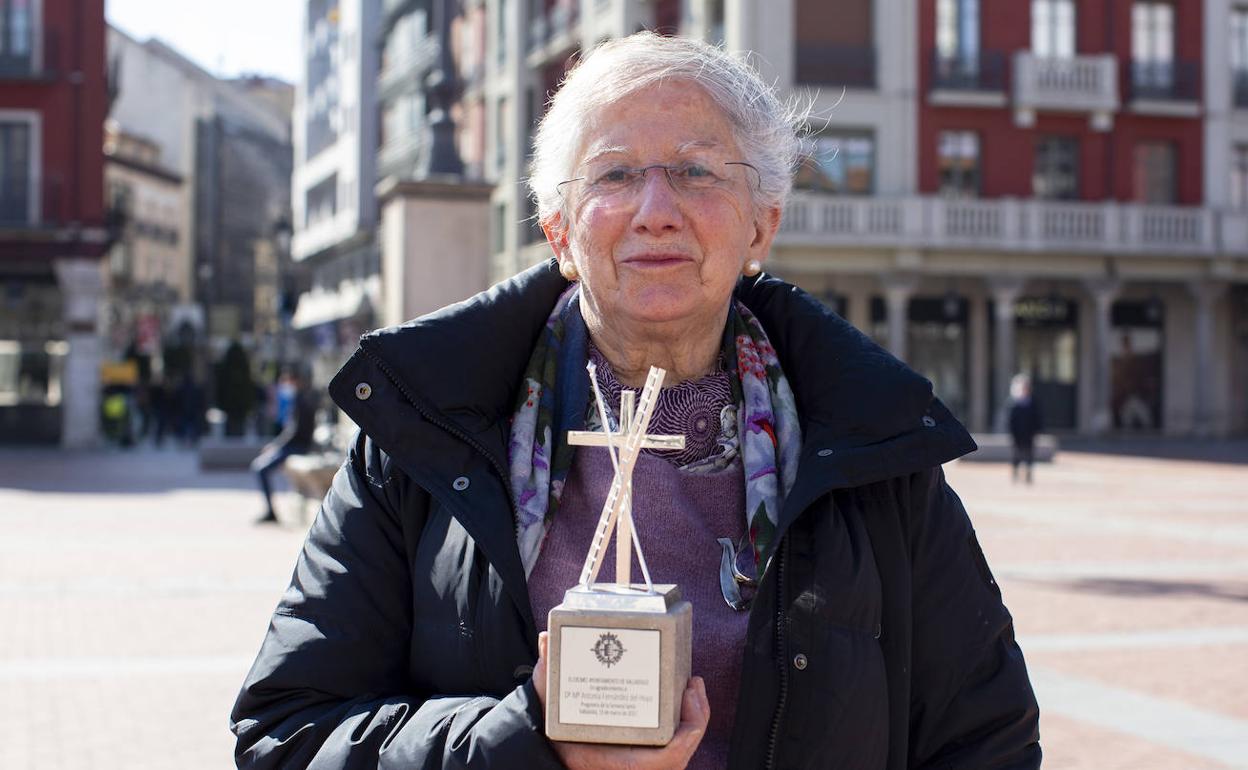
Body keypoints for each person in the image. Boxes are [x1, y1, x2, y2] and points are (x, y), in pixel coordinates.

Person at [231, 33, 1040, 769]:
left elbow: (985, 738)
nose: (657, 212)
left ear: (762, 226)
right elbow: (287, 736)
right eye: (615, 174)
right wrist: (526, 742)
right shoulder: (425, 430)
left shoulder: (868, 443)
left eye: (696, 170)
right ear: (559, 230)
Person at [250, 369, 317, 524]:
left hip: (298, 446)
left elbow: (295, 431)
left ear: (296, 382)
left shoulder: (301, 401)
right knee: (259, 467)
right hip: (296, 445)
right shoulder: (299, 399)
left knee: (260, 469)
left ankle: (271, 512)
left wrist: (276, 446)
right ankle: (270, 511)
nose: (285, 386)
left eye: (287, 382)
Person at [1008, 374, 1043, 484]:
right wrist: (1012, 432)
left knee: (1029, 455)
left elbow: (1038, 417)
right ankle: (1015, 473)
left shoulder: (1033, 401)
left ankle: (1028, 475)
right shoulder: (1015, 402)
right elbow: (1011, 420)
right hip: (1018, 434)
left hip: (1029, 433)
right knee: (1016, 454)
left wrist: (1037, 430)